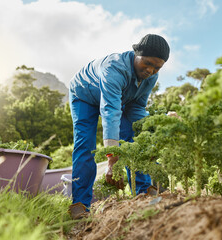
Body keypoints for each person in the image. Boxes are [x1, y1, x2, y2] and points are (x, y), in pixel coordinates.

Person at [68, 34, 170, 219]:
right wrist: (112, 161)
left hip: (118, 101)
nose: (150, 70)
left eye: (157, 67)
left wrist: (153, 129)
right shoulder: (114, 68)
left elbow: (137, 108)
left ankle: (144, 193)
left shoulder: (150, 78)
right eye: (146, 63)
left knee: (135, 138)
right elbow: (110, 111)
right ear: (136, 54)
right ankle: (80, 205)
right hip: (84, 95)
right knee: (85, 145)